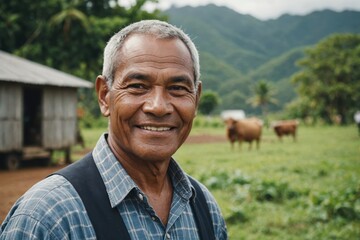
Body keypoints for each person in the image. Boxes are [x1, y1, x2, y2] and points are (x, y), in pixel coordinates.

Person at [0, 20, 228, 239]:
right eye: (138, 86)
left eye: (177, 88)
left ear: (196, 100)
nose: (158, 107)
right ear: (104, 96)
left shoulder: (204, 208)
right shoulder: (48, 217)